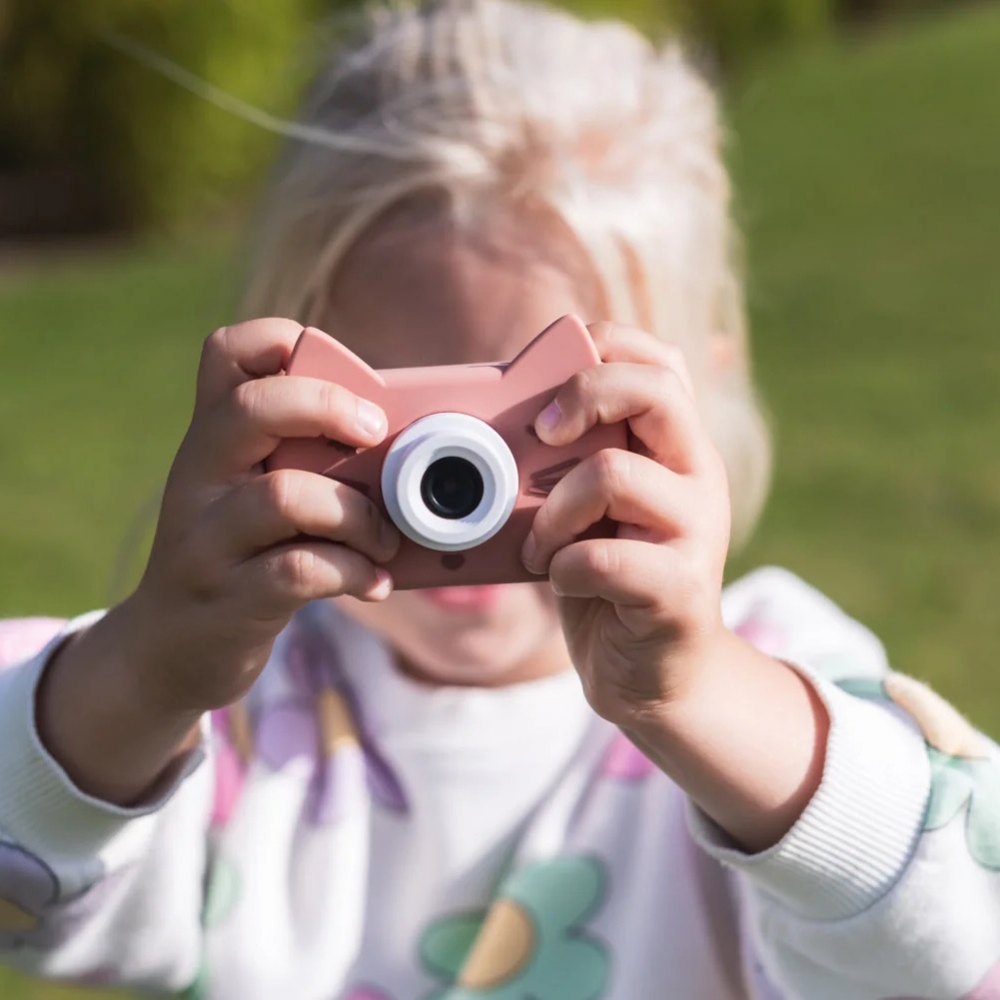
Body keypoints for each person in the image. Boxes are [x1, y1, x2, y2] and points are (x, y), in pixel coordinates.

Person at [1, 1, 998, 998]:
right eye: (393, 420)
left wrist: (701, 697)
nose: (451, 489)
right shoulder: (232, 707)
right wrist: (144, 672)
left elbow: (959, 938)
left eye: (549, 419)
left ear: (698, 398)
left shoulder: (768, 682)